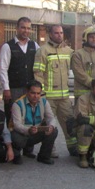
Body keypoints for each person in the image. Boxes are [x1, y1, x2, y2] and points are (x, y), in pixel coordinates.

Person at [33, 24, 77, 156]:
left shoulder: (68, 51)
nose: (59, 35)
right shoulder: (43, 51)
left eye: (61, 33)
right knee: (48, 124)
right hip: (48, 97)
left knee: (69, 123)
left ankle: (73, 148)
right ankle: (50, 149)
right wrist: (41, 94)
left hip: (64, 97)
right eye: (56, 33)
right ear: (50, 35)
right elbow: (38, 73)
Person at [11, 80, 59, 165]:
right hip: (21, 133)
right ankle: (16, 154)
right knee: (16, 138)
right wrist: (28, 130)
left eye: (38, 93)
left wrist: (51, 126)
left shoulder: (44, 102)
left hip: (35, 131)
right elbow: (17, 125)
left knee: (54, 130)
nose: (36, 96)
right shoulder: (17, 104)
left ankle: (44, 156)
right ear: (27, 92)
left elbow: (51, 117)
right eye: (33, 93)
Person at [0, 17, 38, 107]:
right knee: (13, 113)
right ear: (17, 28)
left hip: (30, 89)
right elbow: (3, 69)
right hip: (14, 89)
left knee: (29, 113)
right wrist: (6, 89)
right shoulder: (7, 46)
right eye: (23, 27)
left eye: (28, 28)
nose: (26, 30)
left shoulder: (34, 45)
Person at [71, 26, 95, 99]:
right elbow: (78, 73)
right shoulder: (78, 54)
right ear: (85, 38)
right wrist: (94, 84)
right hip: (82, 96)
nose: (94, 40)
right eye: (91, 37)